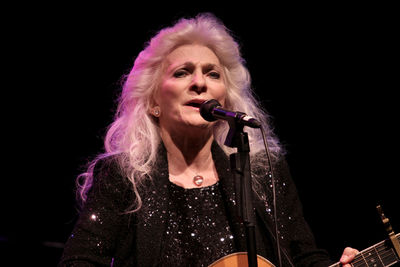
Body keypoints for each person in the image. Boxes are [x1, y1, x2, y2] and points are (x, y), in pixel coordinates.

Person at [59, 13, 358, 267]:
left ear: (226, 97)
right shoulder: (124, 178)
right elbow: (79, 262)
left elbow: (303, 256)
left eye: (212, 74)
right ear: (153, 102)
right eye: (182, 72)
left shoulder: (262, 173)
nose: (199, 83)